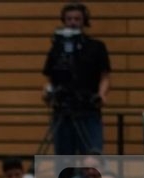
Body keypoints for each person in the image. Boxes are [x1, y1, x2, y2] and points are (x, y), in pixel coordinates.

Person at [41, 3, 110, 156]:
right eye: (69, 19)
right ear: (63, 21)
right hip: (62, 111)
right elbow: (49, 79)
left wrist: (101, 95)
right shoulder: (57, 48)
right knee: (64, 159)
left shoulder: (96, 47)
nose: (73, 22)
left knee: (92, 156)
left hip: (88, 109)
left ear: (84, 21)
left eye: (77, 19)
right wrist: (47, 93)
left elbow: (105, 77)